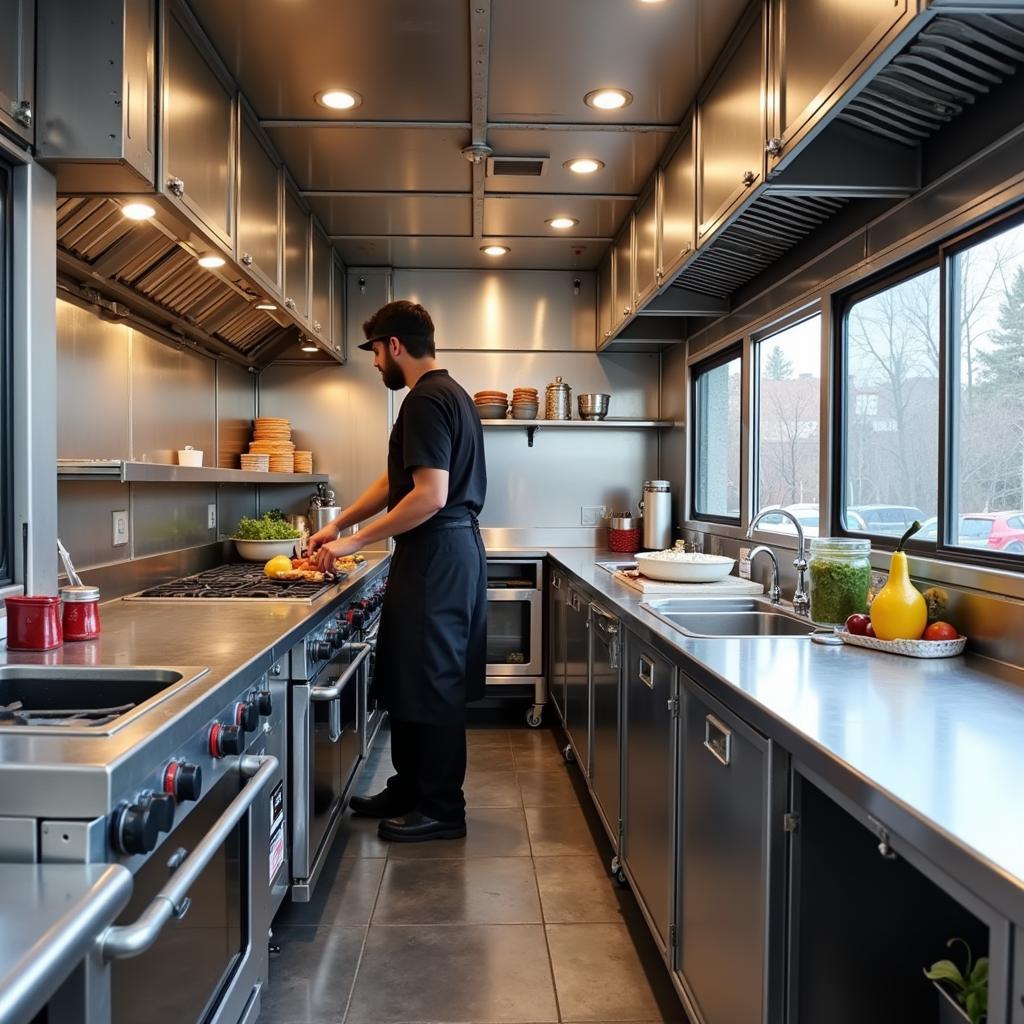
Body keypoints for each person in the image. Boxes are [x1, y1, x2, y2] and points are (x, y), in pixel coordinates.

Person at [307, 300, 487, 843]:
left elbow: (429, 497)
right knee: (413, 671)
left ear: (394, 346)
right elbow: (398, 483)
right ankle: (410, 786)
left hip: (438, 551)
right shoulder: (442, 395)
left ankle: (441, 809)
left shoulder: (428, 401)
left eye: (374, 353)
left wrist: (354, 543)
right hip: (439, 553)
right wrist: (338, 526)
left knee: (433, 678)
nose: (373, 364)